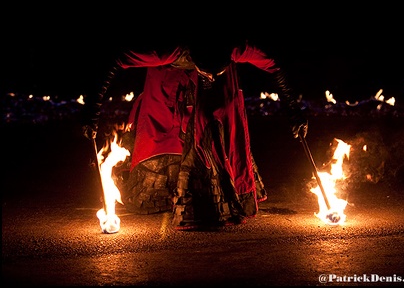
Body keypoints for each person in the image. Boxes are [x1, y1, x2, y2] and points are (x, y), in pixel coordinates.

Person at [82, 38, 308, 231]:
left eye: (215, 73)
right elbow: (115, 60)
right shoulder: (166, 49)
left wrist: (294, 111)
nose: (210, 78)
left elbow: (274, 65)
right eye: (207, 72)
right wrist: (91, 110)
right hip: (168, 84)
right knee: (163, 134)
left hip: (218, 92)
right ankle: (170, 194)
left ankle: (211, 199)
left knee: (211, 132)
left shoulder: (236, 46)